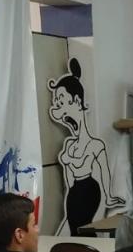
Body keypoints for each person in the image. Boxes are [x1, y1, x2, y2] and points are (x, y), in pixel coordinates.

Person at [49, 58, 125, 235]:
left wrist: (109, 196)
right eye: (57, 102)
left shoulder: (95, 145)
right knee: (74, 228)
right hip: (74, 192)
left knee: (84, 229)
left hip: (90, 190)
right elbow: (68, 180)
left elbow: (104, 172)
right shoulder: (69, 144)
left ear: (76, 100)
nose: (58, 107)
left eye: (62, 101)